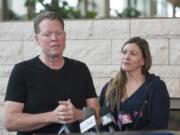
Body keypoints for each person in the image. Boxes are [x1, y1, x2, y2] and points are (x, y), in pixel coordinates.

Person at [4, 11, 100, 135]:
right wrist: (53, 116)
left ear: (64, 36)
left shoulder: (80, 69)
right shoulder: (22, 70)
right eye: (47, 34)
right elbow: (9, 121)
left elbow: (97, 118)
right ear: (37, 39)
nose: (54, 38)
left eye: (58, 33)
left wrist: (78, 114)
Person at [99, 37, 170, 131]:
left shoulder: (156, 87)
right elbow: (100, 122)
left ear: (143, 61)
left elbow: (158, 127)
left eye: (133, 54)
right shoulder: (109, 87)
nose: (126, 57)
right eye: (124, 52)